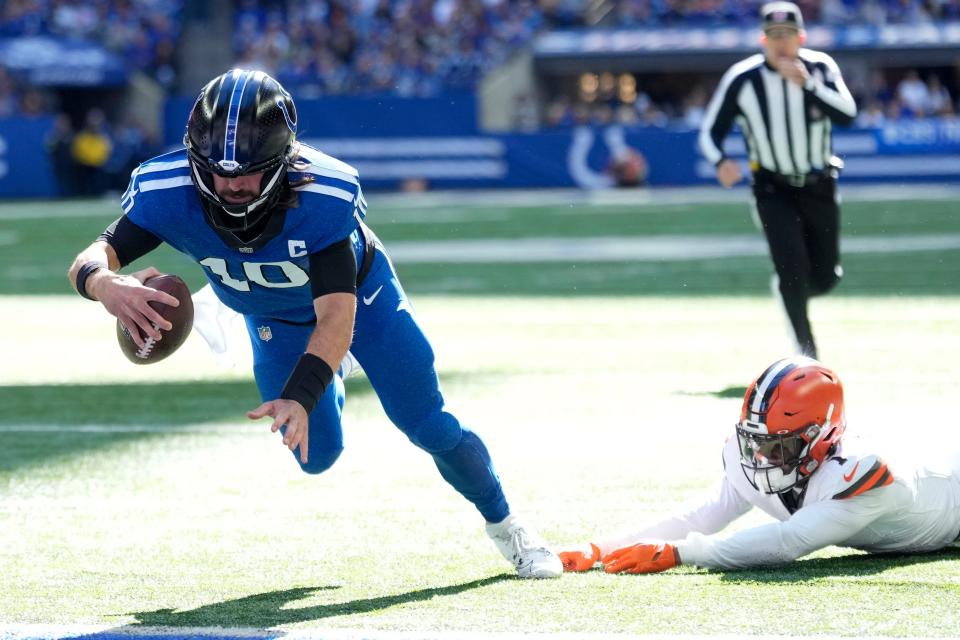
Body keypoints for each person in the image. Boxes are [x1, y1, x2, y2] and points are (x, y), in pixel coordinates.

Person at [67, 69, 562, 579]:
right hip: (272, 314)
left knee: (427, 424)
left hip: (359, 300)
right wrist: (103, 283)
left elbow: (336, 317)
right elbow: (94, 253)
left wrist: (302, 393)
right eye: (217, 171)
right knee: (317, 457)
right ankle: (301, 348)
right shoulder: (166, 189)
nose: (233, 184)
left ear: (281, 162)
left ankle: (508, 525)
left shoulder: (323, 194)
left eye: (249, 172)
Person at [558, 356, 960, 574]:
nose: (762, 457)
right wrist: (600, 547)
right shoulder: (751, 451)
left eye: (780, 445)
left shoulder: (860, 474)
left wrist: (680, 554)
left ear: (821, 436)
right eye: (755, 442)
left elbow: (788, 542)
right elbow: (700, 515)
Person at [698, 2, 857, 359]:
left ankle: (791, 291)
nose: (781, 43)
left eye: (787, 35)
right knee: (791, 267)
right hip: (772, 188)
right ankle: (807, 353)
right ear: (762, 39)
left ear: (801, 38)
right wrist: (720, 160)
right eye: (774, 36)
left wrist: (809, 86)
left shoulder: (820, 68)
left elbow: (848, 115)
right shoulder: (743, 79)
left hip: (818, 184)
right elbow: (710, 132)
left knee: (826, 276)